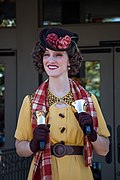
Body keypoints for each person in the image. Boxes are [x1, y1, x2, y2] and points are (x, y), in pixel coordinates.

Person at [14, 27, 110, 180]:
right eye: (46, 54)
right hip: (42, 173)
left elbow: (104, 150)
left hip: (79, 174)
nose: (50, 60)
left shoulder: (88, 101)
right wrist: (32, 144)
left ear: (70, 60)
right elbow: (20, 149)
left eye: (58, 55)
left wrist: (92, 134)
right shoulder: (30, 102)